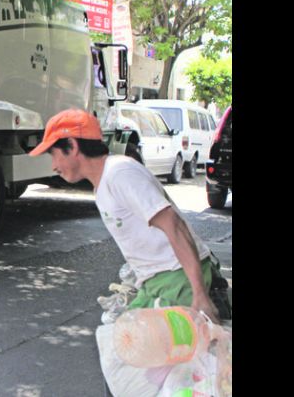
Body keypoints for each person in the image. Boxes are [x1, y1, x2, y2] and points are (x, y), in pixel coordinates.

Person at [29, 109, 227, 323]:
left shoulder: (120, 173)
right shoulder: (105, 182)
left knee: (164, 344)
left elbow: (174, 225)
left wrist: (200, 295)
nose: (53, 166)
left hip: (179, 279)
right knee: (124, 338)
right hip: (158, 281)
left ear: (72, 145)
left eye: (54, 154)